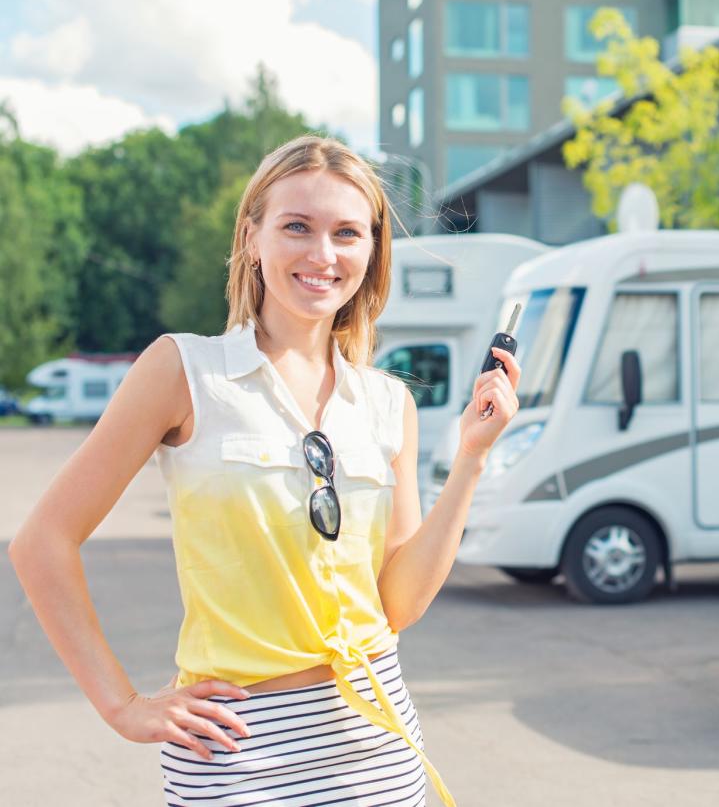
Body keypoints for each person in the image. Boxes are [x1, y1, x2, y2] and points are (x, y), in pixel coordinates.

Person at [7, 135, 521, 806]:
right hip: (236, 749)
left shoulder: (388, 401)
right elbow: (41, 541)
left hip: (373, 747)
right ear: (253, 236)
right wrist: (121, 703)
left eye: (346, 233)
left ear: (371, 252)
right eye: (297, 227)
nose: (322, 254)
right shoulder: (183, 370)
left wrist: (471, 460)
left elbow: (398, 602)